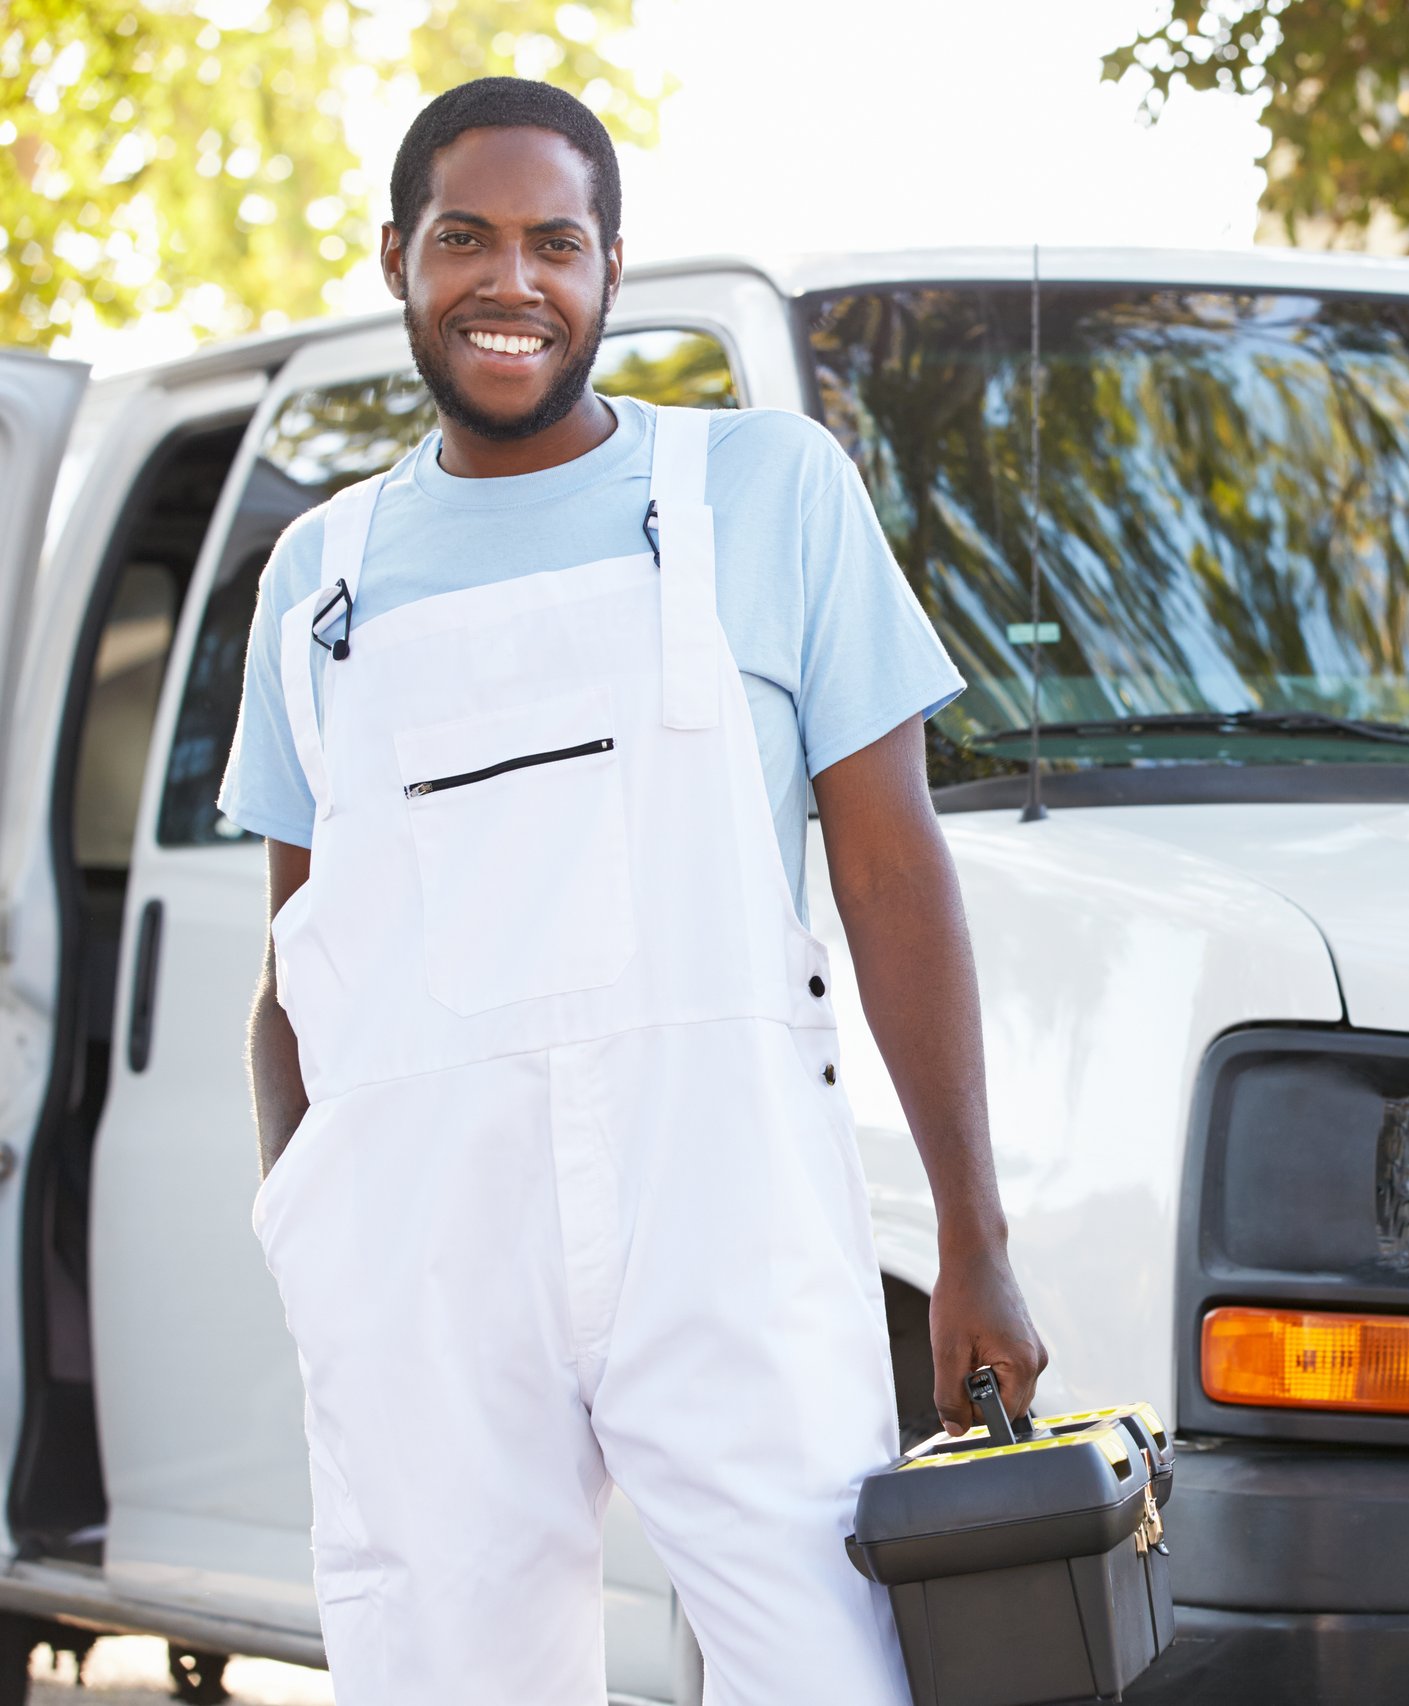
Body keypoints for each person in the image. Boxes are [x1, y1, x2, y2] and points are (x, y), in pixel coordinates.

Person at [217, 76, 1045, 1704]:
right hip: (428, 1268)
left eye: (555, 243)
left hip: (724, 1226)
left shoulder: (768, 492)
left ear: (611, 269)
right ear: (396, 258)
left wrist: (973, 1236)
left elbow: (890, 872)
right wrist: (312, 1237)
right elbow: (295, 957)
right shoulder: (317, 576)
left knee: (827, 1665)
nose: (509, 282)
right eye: (465, 238)